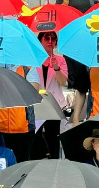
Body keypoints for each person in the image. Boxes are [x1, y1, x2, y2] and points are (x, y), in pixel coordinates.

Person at [31, 31, 67, 160]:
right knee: (36, 135)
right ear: (40, 41)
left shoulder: (61, 60)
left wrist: (57, 68)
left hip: (54, 103)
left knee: (53, 136)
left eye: (53, 39)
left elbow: (63, 82)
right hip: (36, 103)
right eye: (46, 38)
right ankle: (36, 161)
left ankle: (54, 162)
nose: (50, 41)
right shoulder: (33, 59)